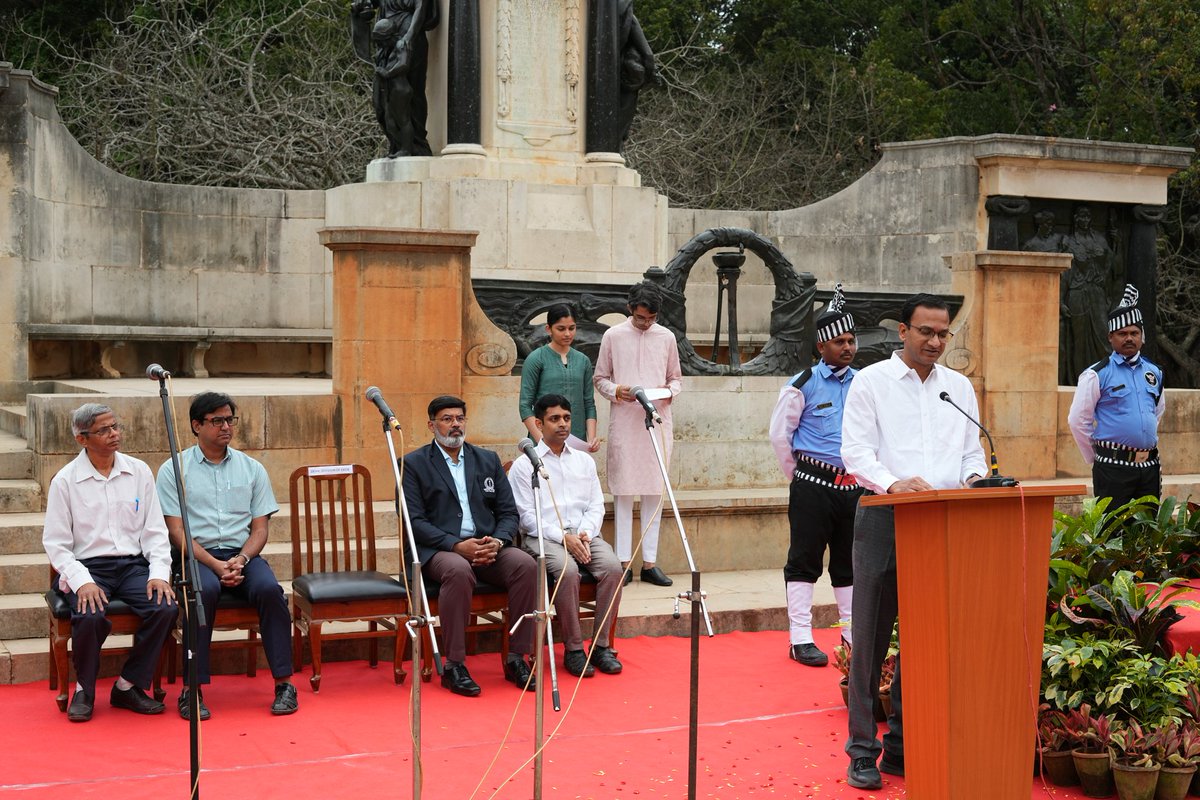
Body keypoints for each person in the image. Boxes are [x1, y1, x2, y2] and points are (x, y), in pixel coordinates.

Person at [839, 294, 987, 789]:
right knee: (871, 643)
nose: (935, 342)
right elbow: (854, 451)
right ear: (902, 331)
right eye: (925, 332)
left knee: (924, 643)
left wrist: (974, 480)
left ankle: (902, 747)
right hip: (885, 518)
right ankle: (862, 749)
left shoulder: (959, 387)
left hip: (942, 523)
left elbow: (972, 453)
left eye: (943, 333)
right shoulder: (871, 382)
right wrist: (892, 482)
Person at [155, 392, 297, 718]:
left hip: (240, 554)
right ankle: (193, 689)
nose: (226, 427)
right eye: (216, 420)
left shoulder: (252, 469)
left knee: (270, 591)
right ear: (196, 425)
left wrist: (242, 560)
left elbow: (259, 530)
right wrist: (216, 565)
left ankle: (284, 683)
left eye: (229, 419)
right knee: (203, 591)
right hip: (196, 556)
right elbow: (176, 532)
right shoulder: (174, 469)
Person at [43, 403, 177, 722]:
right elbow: (56, 544)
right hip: (89, 568)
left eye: (116, 426)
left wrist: (159, 573)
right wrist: (82, 581)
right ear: (82, 439)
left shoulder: (139, 471)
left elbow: (155, 531)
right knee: (90, 615)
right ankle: (84, 690)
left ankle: (127, 685)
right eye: (104, 430)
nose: (114, 434)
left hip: (133, 566)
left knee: (166, 608)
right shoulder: (65, 481)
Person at [402, 395, 538, 697]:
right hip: (439, 551)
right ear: (431, 424)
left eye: (459, 418)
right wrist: (455, 545)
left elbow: (508, 513)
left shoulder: (486, 460)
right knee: (459, 570)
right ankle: (455, 665)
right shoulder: (413, 464)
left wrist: (499, 541)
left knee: (526, 565)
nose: (455, 425)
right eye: (447, 419)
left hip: (487, 545)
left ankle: (517, 658)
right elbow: (414, 520)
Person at [768, 284, 861, 668]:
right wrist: (801, 476)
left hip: (854, 487)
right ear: (821, 346)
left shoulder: (865, 383)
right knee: (804, 560)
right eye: (839, 341)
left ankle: (852, 634)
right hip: (812, 485)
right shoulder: (802, 384)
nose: (848, 347)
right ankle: (800, 637)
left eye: (851, 340)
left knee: (850, 562)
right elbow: (780, 436)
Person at [508, 394, 624, 678]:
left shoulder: (583, 461)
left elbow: (596, 504)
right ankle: (574, 649)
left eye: (567, 418)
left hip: (584, 534)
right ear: (538, 423)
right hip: (544, 537)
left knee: (613, 568)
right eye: (554, 419)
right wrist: (563, 538)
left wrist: (585, 533)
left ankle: (601, 646)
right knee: (566, 570)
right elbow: (527, 517)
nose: (562, 424)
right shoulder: (525, 466)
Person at [593, 280, 683, 587]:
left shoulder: (667, 337)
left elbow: (676, 379)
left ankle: (650, 563)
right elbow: (600, 378)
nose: (646, 323)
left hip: (656, 421)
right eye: (642, 317)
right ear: (631, 309)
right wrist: (619, 390)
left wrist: (667, 392)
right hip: (625, 420)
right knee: (623, 494)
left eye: (652, 318)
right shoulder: (613, 335)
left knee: (654, 493)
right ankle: (622, 563)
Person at [1067, 284, 1165, 510]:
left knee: (1146, 533)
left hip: (1149, 466)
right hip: (1112, 469)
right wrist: (1098, 457)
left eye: (1134, 333)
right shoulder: (1097, 374)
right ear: (1111, 337)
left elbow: (1157, 411)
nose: (1129, 338)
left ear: (1142, 336)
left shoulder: (1155, 372)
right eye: (1122, 334)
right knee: (1113, 535)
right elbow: (1077, 420)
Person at [519, 304, 600, 452]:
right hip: (543, 440)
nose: (568, 334)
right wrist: (541, 440)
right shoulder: (536, 358)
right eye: (561, 329)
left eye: (572, 328)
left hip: (577, 441)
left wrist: (592, 438)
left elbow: (589, 403)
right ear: (548, 329)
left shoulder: (583, 361)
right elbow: (525, 405)